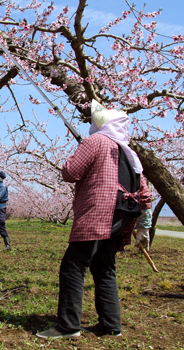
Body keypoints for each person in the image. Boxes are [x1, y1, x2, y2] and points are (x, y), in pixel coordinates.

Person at [36, 100, 152, 339]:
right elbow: (145, 192)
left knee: (73, 266)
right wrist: (144, 226)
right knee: (104, 268)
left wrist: (82, 151)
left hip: (97, 214)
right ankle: (111, 324)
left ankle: (67, 326)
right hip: (121, 217)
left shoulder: (95, 141)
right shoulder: (128, 152)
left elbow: (70, 172)